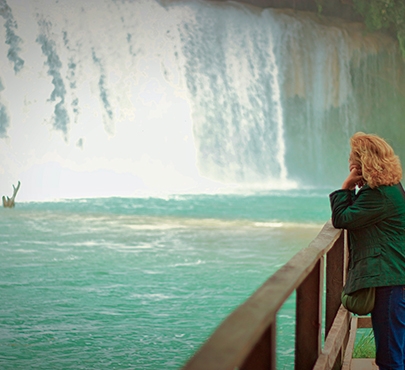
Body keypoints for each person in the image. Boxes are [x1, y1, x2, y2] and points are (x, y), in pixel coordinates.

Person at [330, 132, 405, 370]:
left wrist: (345, 186)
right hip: (395, 278)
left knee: (390, 358)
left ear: (363, 164)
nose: (350, 166)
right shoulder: (390, 189)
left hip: (390, 281)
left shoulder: (378, 196)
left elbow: (342, 218)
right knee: (397, 352)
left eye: (352, 163)